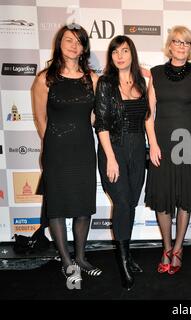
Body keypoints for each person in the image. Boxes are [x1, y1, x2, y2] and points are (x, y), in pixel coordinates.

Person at [31, 23, 100, 287]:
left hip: (83, 149)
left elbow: (94, 118)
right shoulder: (44, 78)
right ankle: (67, 262)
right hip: (57, 151)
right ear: (60, 43)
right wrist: (48, 149)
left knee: (84, 207)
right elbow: (40, 120)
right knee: (57, 207)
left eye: (79, 41)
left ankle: (81, 258)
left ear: (84, 47)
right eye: (69, 40)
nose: (73, 45)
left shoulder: (92, 79)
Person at [145, 26, 191, 275]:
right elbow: (149, 115)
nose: (182, 46)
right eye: (177, 42)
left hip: (189, 145)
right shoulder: (156, 74)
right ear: (169, 45)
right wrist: (153, 144)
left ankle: (179, 248)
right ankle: (166, 248)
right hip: (161, 145)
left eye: (186, 43)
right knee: (163, 199)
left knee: (185, 199)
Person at [94, 35, 147, 290]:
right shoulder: (105, 83)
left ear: (131, 54)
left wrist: (153, 146)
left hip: (138, 149)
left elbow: (147, 117)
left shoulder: (140, 81)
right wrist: (111, 159)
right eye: (115, 52)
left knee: (132, 202)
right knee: (123, 203)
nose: (120, 56)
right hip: (113, 148)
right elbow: (101, 124)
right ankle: (123, 262)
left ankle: (128, 253)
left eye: (124, 51)